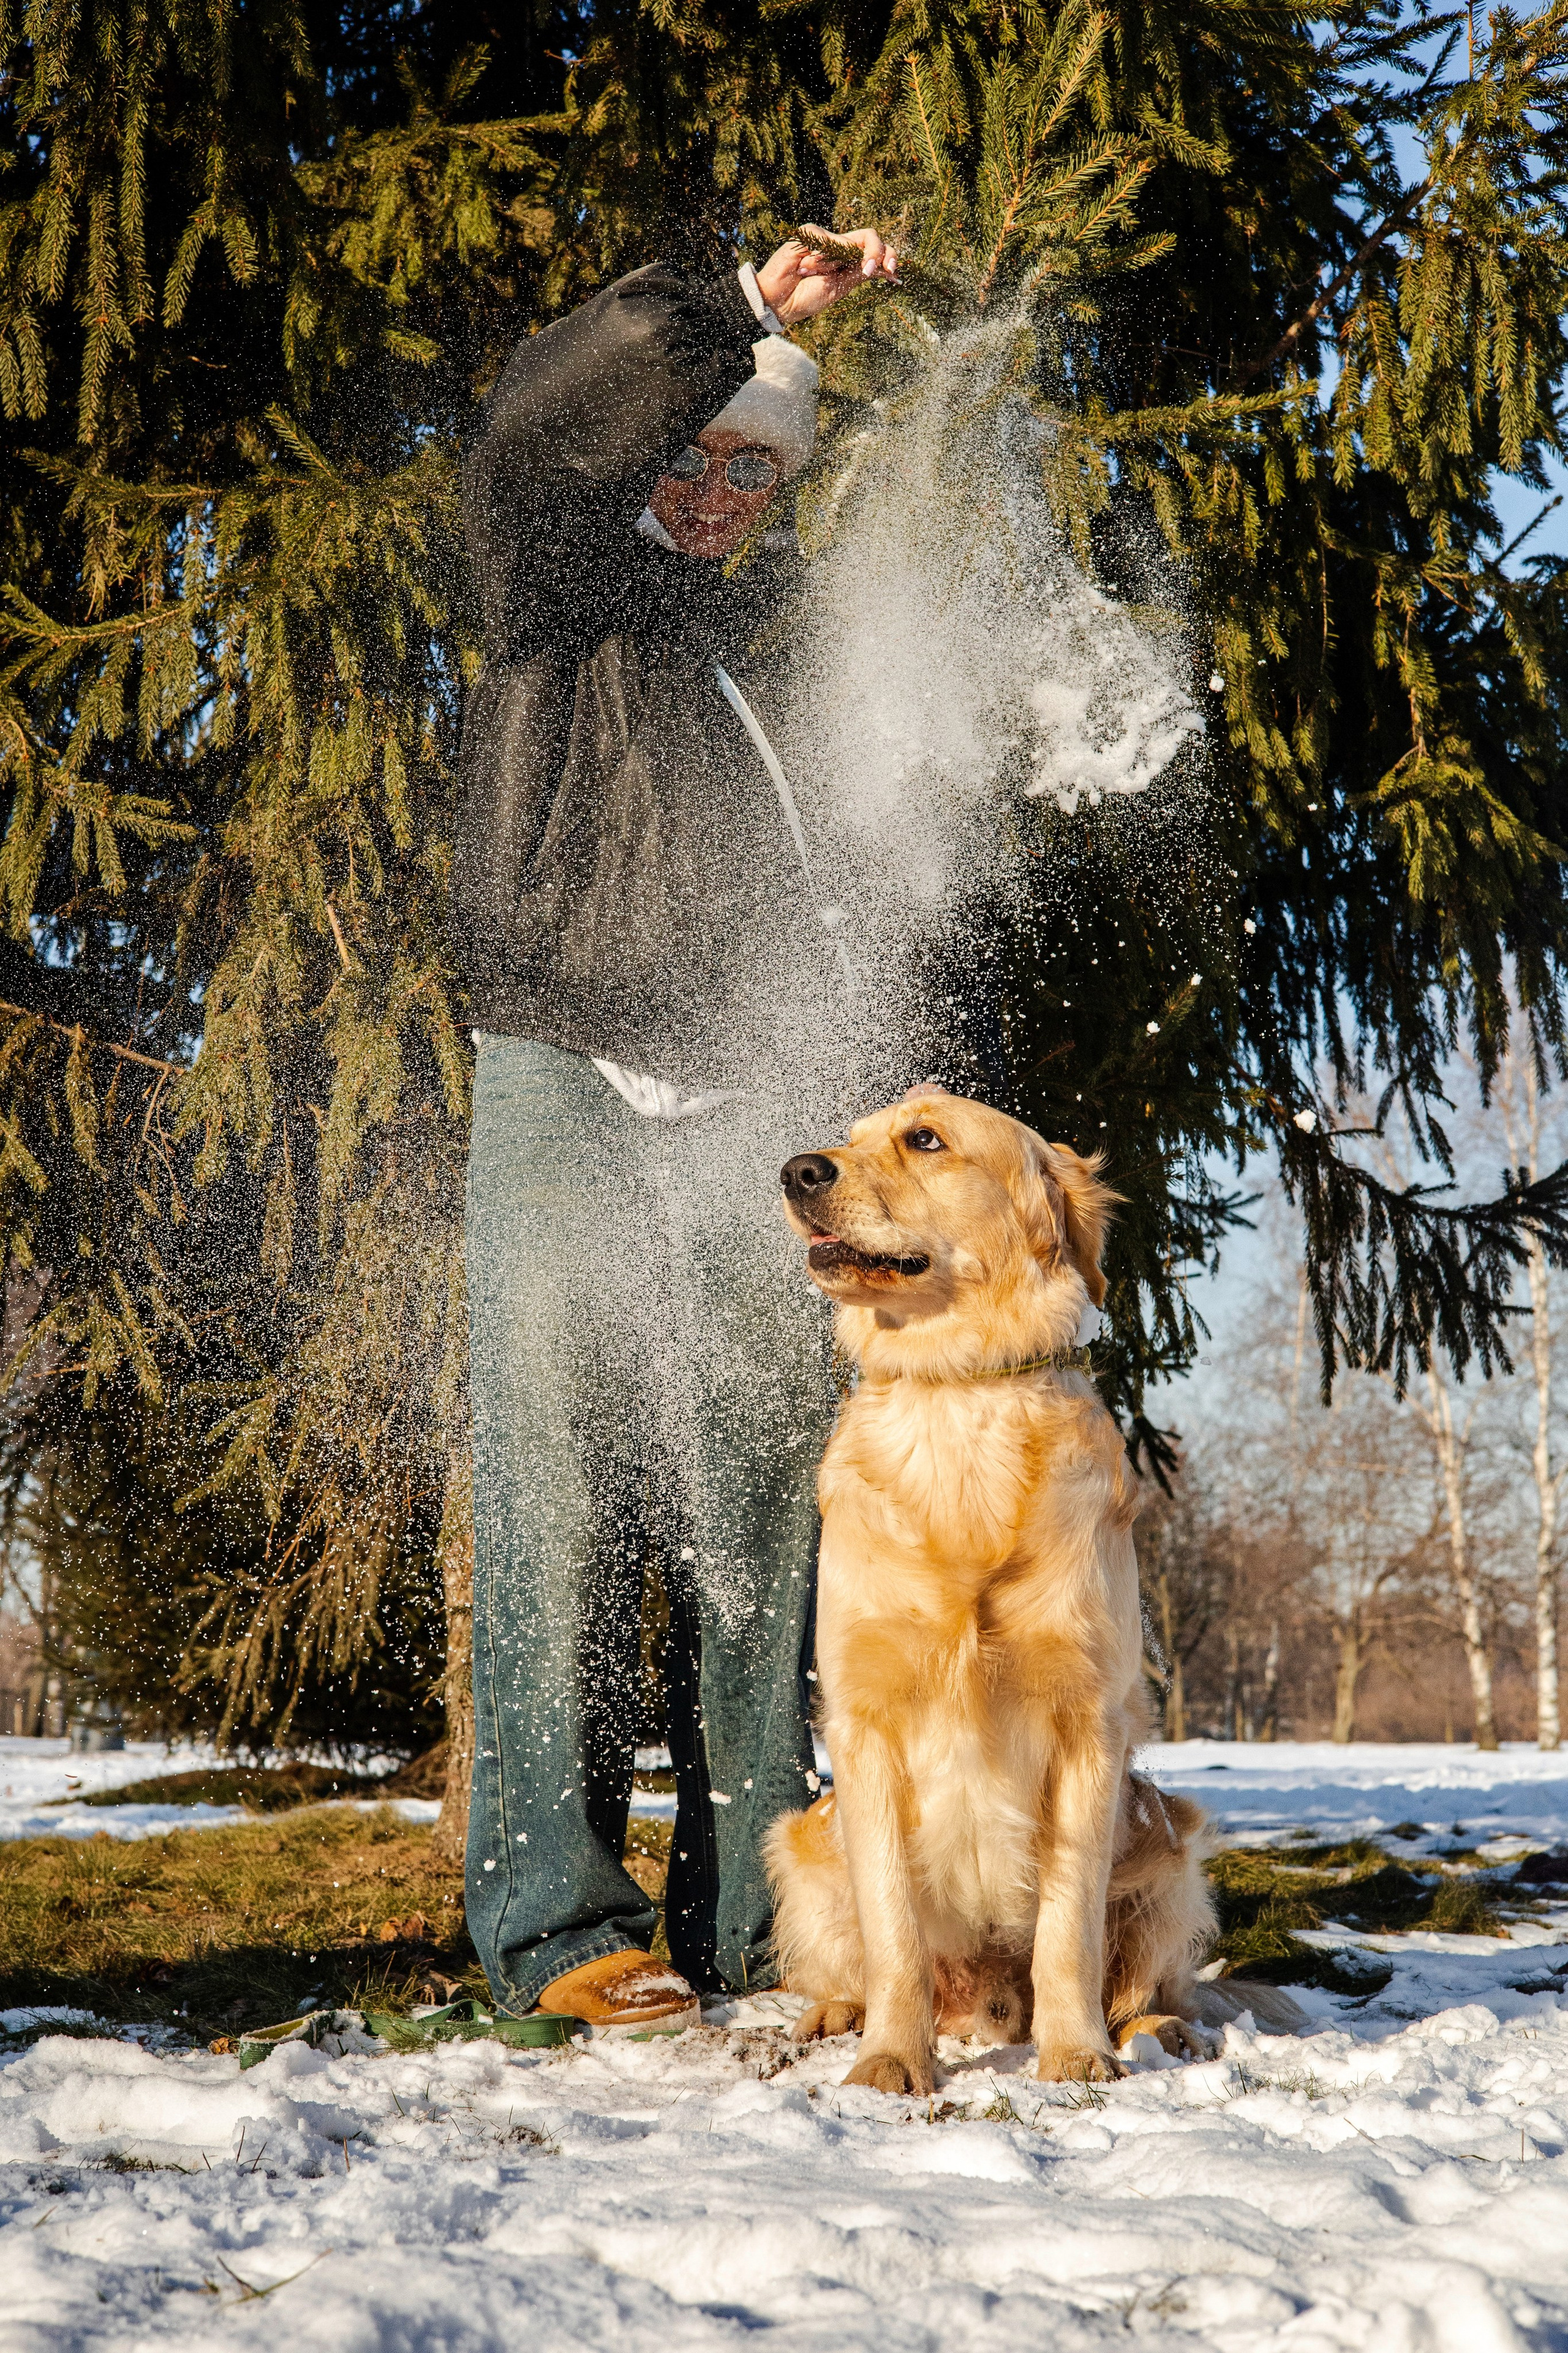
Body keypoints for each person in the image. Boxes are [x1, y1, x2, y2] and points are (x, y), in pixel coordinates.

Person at [453, 228, 898, 2032]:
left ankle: (768, 1917)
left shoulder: (769, 647)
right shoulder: (554, 573)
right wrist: (741, 316)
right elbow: (534, 424)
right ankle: (560, 1926)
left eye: (752, 469)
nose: (716, 494)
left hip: (751, 1101)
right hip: (563, 1058)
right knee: (557, 1483)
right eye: (692, 454)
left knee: (760, 1504)